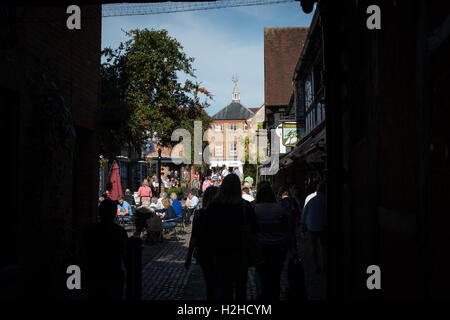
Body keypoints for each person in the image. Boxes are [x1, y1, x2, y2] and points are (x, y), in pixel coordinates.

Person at [204, 174, 259, 300]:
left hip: (220, 252)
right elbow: (255, 229)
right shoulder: (245, 206)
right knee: (241, 289)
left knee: (225, 288)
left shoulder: (214, 206)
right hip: (240, 252)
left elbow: (207, 231)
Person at [254, 183, 294, 300]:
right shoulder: (280, 209)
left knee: (262, 275)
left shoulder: (255, 209)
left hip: (262, 247)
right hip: (279, 247)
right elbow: (287, 230)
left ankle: (264, 295)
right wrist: (291, 248)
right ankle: (274, 295)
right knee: (276, 275)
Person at [83, 199, 128, 299]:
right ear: (113, 214)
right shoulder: (119, 231)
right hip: (113, 274)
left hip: (94, 274)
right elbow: (126, 255)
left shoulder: (90, 230)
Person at [185, 186, 220, 300]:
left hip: (204, 251)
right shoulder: (223, 213)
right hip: (220, 251)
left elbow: (194, 237)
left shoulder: (200, 214)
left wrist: (189, 257)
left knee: (209, 282)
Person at [300, 182, 327, 273]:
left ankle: (316, 265)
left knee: (313, 246)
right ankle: (324, 264)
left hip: (311, 225)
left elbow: (304, 212)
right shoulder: (325, 198)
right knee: (323, 246)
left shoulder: (309, 197)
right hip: (323, 226)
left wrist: (302, 223)